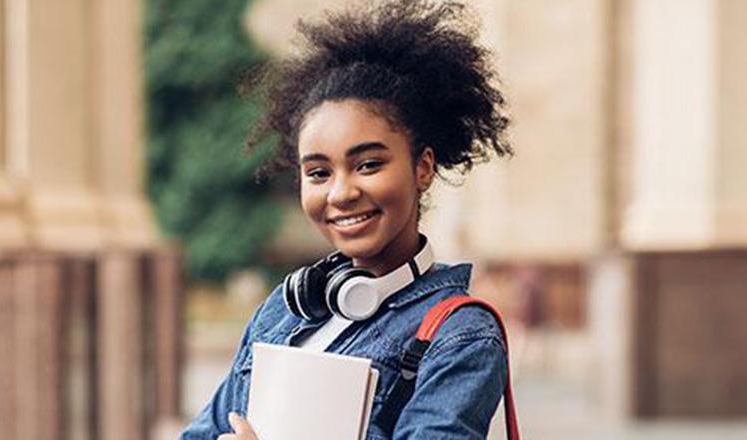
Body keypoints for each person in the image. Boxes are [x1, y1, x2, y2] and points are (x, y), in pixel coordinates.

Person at [180, 0, 513, 439]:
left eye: (369, 164)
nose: (341, 193)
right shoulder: (283, 310)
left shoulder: (460, 334)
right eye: (318, 173)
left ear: (423, 167)